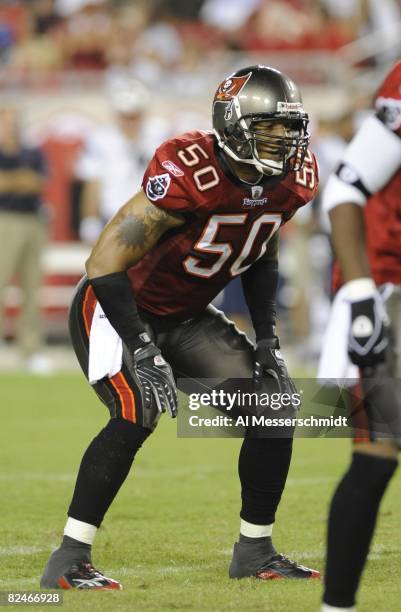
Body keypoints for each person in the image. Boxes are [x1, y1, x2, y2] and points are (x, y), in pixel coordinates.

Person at [40, 65, 320, 590]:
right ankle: (69, 557)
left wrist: (268, 340)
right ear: (233, 124)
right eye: (270, 126)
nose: (285, 138)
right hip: (116, 307)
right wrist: (143, 349)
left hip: (187, 315)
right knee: (136, 409)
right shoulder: (193, 168)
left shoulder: (291, 179)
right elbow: (102, 262)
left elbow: (262, 250)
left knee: (273, 407)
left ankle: (255, 549)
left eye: (290, 126)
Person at [319, 53, 401, 611]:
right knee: (378, 449)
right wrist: (360, 294)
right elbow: (343, 191)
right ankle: (338, 605)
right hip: (389, 276)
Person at [76, 78, 168, 245]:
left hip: (152, 218)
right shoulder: (100, 138)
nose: (130, 122)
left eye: (135, 116)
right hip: (113, 218)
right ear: (117, 114)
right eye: (126, 116)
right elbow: (93, 184)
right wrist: (90, 221)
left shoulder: (159, 133)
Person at [0, 104, 50, 373]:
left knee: (32, 287)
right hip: (4, 220)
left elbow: (38, 183)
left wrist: (12, 180)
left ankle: (30, 348)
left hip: (33, 220)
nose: (11, 126)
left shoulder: (32, 151)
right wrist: (19, 179)